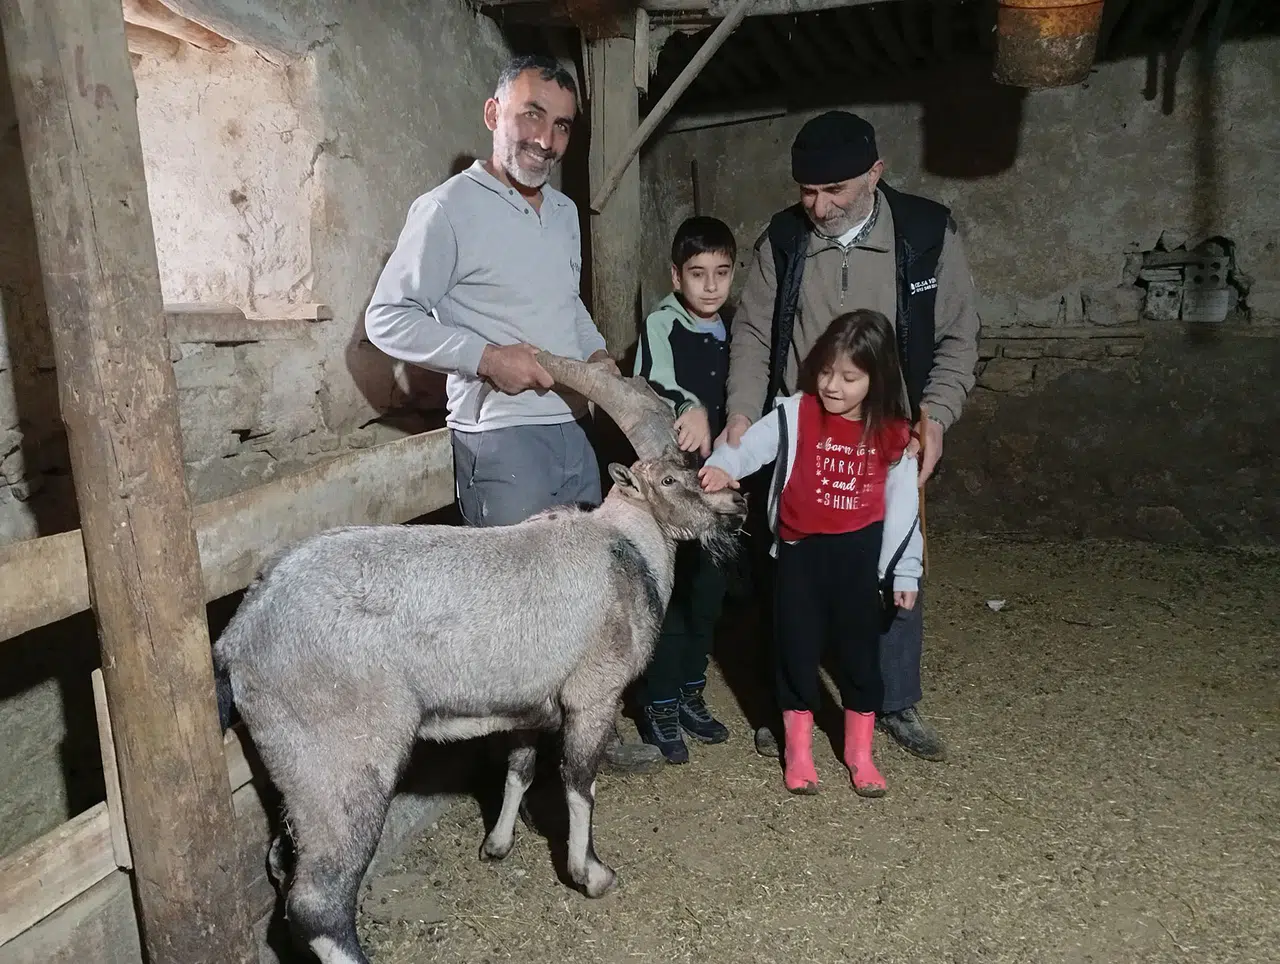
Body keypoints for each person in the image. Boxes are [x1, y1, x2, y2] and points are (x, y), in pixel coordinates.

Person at [364, 54, 663, 773]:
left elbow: (565, 305)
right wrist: (482, 356)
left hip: (573, 428)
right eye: (532, 115)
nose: (546, 139)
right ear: (494, 113)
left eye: (562, 126)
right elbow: (387, 319)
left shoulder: (562, 213)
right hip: (501, 437)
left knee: (585, 599)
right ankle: (516, 776)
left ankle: (584, 746)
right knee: (517, 618)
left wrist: (597, 353)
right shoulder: (446, 209)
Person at [717, 110, 980, 764]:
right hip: (802, 436)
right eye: (808, 191)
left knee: (893, 558)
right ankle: (789, 700)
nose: (819, 206)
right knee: (789, 572)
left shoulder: (926, 235)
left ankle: (892, 698)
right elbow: (751, 335)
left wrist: (935, 416)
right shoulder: (784, 240)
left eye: (835, 190)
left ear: (875, 174)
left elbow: (958, 337)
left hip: (886, 436)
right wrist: (744, 413)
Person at [701, 310, 922, 796]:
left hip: (859, 561)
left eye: (849, 377)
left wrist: (905, 571)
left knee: (860, 656)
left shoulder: (892, 433)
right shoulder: (797, 412)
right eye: (825, 372)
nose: (832, 386)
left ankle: (859, 752)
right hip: (800, 557)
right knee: (796, 651)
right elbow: (750, 447)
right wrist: (722, 466)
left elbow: (905, 507)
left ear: (877, 377)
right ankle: (798, 749)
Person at [631, 215, 738, 764]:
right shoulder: (662, 324)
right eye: (698, 273)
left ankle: (692, 691)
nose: (711, 286)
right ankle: (660, 701)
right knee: (673, 597)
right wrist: (688, 405)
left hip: (721, 482)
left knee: (708, 594)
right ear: (677, 277)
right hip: (678, 490)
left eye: (722, 272)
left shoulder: (734, 328)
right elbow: (651, 382)